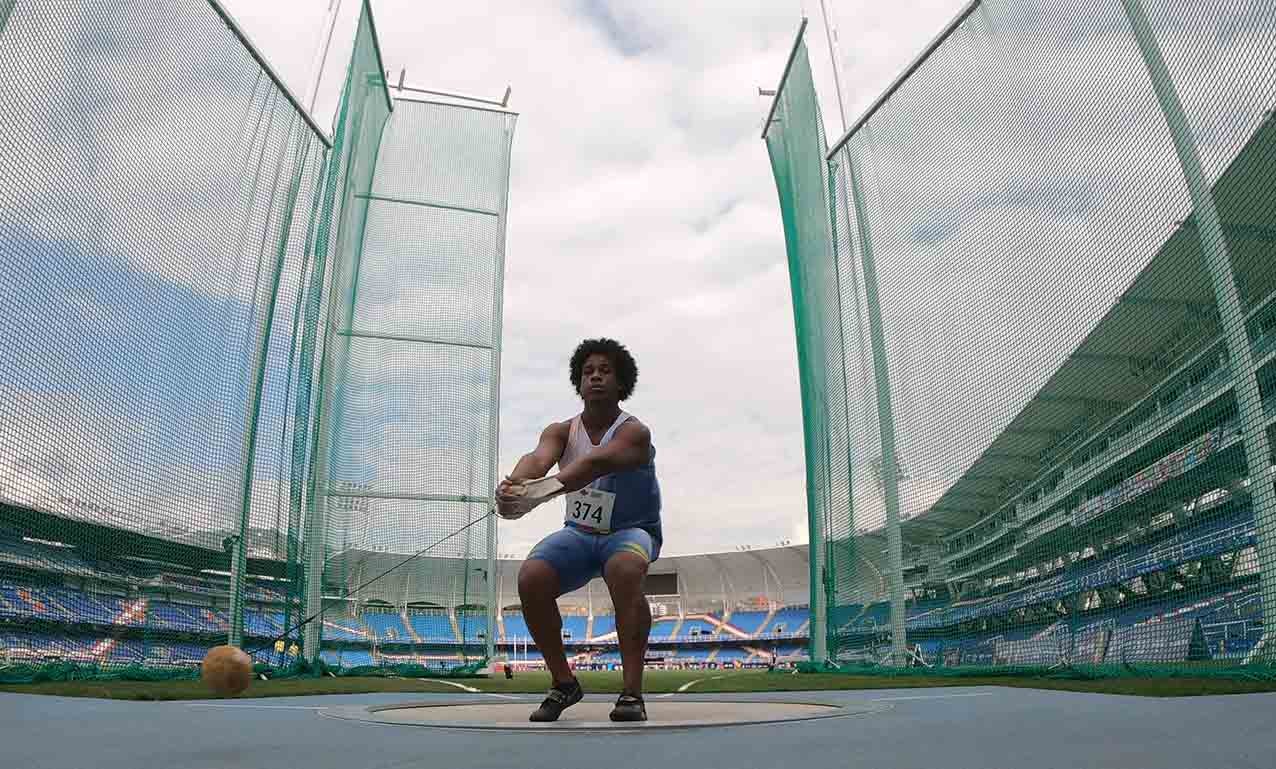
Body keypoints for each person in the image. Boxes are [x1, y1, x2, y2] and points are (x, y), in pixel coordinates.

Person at [496, 338, 661, 723]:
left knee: (625, 569)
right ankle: (564, 683)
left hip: (631, 531)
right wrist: (515, 485)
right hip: (580, 533)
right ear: (579, 382)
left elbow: (596, 462)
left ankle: (632, 692)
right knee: (532, 577)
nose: (596, 377)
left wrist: (539, 493)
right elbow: (537, 458)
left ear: (622, 383)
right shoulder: (561, 430)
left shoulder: (635, 433)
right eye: (588, 372)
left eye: (605, 371)